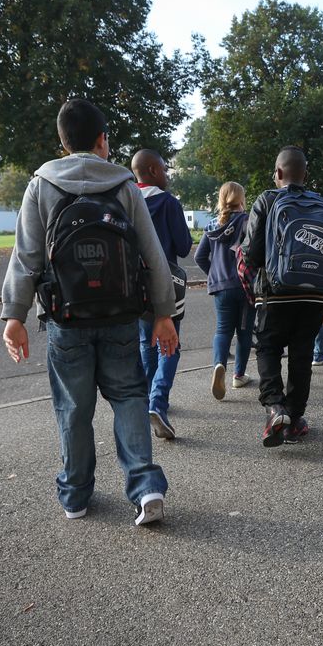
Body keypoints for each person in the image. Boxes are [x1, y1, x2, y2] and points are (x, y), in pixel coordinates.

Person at [0, 98, 179, 525]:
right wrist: (163, 313)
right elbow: (152, 254)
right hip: (120, 315)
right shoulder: (123, 185)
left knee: (73, 407)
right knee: (131, 398)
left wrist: (15, 315)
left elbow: (26, 257)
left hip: (67, 318)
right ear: (102, 140)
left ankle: (76, 495)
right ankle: (145, 485)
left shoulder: (42, 184)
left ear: (62, 142)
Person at [240, 147, 323, 446]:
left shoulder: (268, 200)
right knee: (302, 354)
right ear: (305, 174)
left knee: (268, 348)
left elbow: (252, 252)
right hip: (315, 295)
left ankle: (275, 407)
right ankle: (294, 420)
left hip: (276, 292)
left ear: (279, 173)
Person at [131, 149, 193, 441]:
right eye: (165, 169)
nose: (168, 175)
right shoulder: (168, 202)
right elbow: (182, 246)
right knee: (170, 344)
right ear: (154, 170)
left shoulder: (125, 200)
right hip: (166, 284)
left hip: (133, 284)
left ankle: (145, 401)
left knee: (147, 341)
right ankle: (158, 401)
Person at [194, 181, 255, 400]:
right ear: (241, 198)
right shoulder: (248, 222)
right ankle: (238, 375)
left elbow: (199, 256)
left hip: (221, 286)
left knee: (222, 330)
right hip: (245, 286)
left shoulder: (212, 225)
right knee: (244, 332)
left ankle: (219, 364)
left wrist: (214, 274)